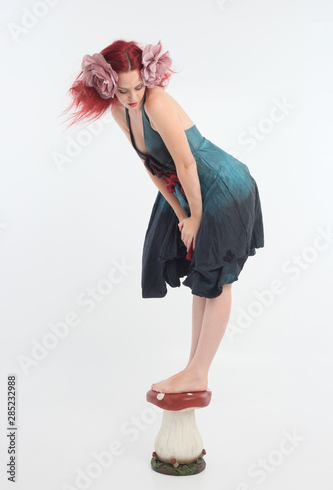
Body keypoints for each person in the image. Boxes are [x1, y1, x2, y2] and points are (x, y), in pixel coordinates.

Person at [61, 39, 264, 395]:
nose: (132, 96)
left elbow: (186, 162)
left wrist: (196, 217)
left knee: (218, 277)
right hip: (189, 190)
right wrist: (181, 213)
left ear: (147, 79)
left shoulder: (156, 102)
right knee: (202, 277)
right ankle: (193, 369)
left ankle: (198, 372)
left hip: (221, 184)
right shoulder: (119, 111)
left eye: (138, 86)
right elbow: (150, 165)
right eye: (122, 90)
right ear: (109, 86)